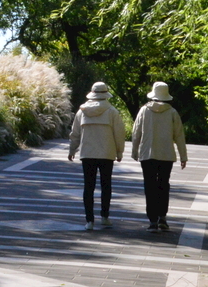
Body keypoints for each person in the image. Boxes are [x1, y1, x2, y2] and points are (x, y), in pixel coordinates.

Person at [68, 81, 126, 231]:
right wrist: (119, 151)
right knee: (106, 186)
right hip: (107, 153)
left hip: (87, 154)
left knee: (89, 187)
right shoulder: (112, 111)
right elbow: (119, 134)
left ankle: (89, 221)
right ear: (106, 94)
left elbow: (75, 133)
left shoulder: (82, 111)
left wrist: (72, 150)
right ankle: (105, 217)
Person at [131, 81, 188, 232]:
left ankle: (152, 220)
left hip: (147, 155)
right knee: (163, 186)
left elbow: (136, 132)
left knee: (149, 187)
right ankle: (163, 217)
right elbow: (179, 136)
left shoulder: (144, 110)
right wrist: (183, 156)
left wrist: (134, 151)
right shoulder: (172, 112)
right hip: (166, 155)